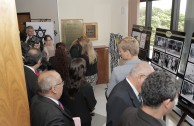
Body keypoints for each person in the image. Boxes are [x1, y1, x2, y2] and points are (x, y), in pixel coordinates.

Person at [106, 62, 154, 126]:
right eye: (150, 80)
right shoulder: (119, 98)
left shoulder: (134, 89)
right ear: (140, 77)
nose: (151, 84)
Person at [60, 58, 97, 126]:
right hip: (83, 119)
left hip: (68, 118)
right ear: (83, 70)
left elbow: (61, 101)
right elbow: (92, 104)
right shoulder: (87, 87)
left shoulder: (63, 84)